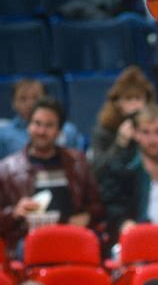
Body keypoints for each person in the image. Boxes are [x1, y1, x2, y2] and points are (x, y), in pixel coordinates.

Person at [0, 96, 103, 256]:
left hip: (71, 236)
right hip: (28, 240)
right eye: (37, 123)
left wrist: (87, 216)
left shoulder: (78, 162)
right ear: (28, 126)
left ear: (59, 131)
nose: (41, 131)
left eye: (49, 126)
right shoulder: (7, 168)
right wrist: (14, 213)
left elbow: (98, 206)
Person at [99, 104, 158, 244]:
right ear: (135, 133)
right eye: (145, 132)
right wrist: (123, 223)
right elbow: (112, 206)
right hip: (140, 240)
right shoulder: (121, 168)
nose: (152, 140)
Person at [91, 66, 156, 179]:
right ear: (117, 102)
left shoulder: (156, 126)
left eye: (138, 98)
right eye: (128, 98)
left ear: (147, 100)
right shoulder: (104, 130)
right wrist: (119, 143)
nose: (134, 104)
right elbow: (97, 170)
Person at [0, 78, 85, 160]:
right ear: (13, 103)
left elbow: (79, 162)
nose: (30, 104)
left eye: (35, 97)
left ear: (46, 99)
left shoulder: (68, 130)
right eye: (23, 98)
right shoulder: (3, 135)